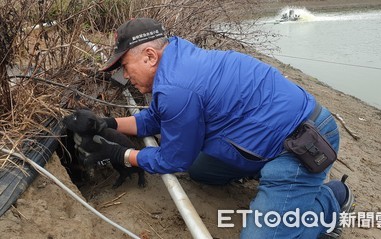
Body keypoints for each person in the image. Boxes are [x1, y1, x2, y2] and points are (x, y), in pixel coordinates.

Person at [72, 18, 354, 238]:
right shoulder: (177, 60)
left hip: (299, 144)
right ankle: (259, 173)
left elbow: (173, 159)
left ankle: (332, 200)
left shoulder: (177, 87)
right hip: (266, 135)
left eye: (124, 66)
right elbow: (155, 119)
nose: (125, 76)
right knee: (200, 169)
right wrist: (107, 123)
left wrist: (120, 155)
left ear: (149, 56)